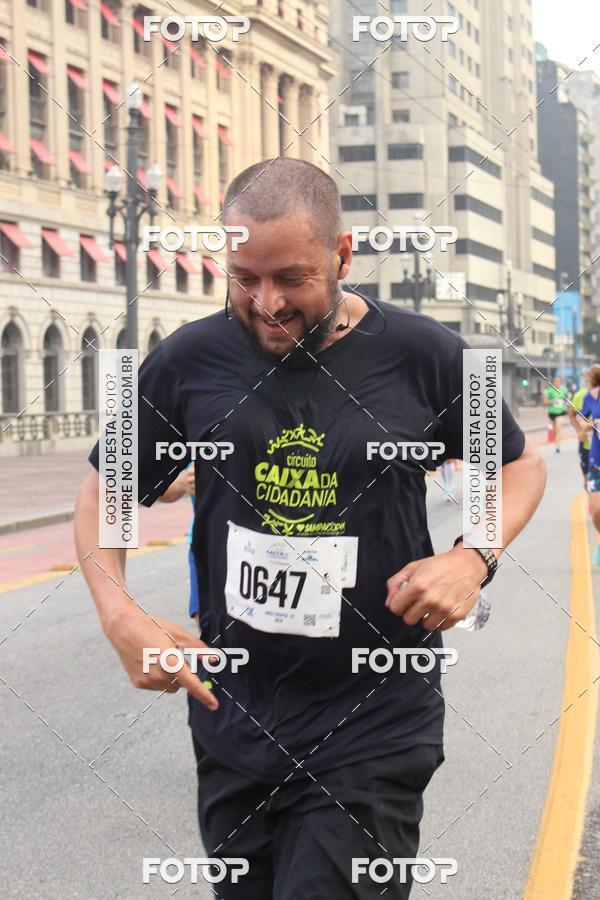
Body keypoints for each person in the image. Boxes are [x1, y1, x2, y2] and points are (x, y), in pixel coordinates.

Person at [74, 158, 546, 899]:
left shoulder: (433, 355)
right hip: (233, 723)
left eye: (291, 277)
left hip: (373, 720)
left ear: (343, 254)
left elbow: (520, 467)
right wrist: (117, 610)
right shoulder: (185, 361)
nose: (266, 303)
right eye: (243, 277)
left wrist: (475, 555)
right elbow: (105, 490)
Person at [158, 463, 199, 623]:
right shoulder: (193, 440)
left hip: (256, 543)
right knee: (204, 619)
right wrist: (183, 482)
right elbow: (159, 488)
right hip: (203, 544)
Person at [581, 365, 600, 565]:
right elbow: (582, 419)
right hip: (596, 459)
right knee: (595, 510)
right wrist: (591, 424)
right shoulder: (591, 397)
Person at [568, 370, 592, 491]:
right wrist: (579, 431)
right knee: (588, 482)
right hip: (587, 444)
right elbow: (571, 413)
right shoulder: (580, 395)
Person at [545, 374, 568, 452]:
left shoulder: (564, 390)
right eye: (555, 381)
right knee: (555, 430)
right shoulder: (549, 391)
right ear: (553, 382)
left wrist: (568, 402)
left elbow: (567, 399)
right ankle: (556, 439)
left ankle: (558, 446)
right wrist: (552, 401)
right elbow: (545, 401)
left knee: (558, 427)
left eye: (558, 381)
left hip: (561, 411)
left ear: (561, 382)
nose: (557, 383)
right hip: (552, 412)